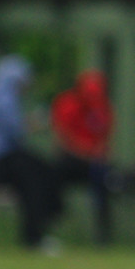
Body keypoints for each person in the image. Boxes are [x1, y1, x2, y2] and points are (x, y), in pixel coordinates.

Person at [0, 55, 62, 252]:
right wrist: (37, 122)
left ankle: (39, 228)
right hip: (2, 156)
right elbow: (13, 130)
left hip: (4, 155)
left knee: (42, 170)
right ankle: (35, 234)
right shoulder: (3, 96)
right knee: (35, 182)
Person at [51, 69, 116, 244]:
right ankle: (55, 217)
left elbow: (105, 138)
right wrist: (88, 152)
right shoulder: (67, 105)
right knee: (53, 176)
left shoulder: (102, 107)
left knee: (106, 179)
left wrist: (98, 152)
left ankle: (103, 234)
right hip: (71, 160)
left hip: (93, 164)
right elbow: (63, 139)